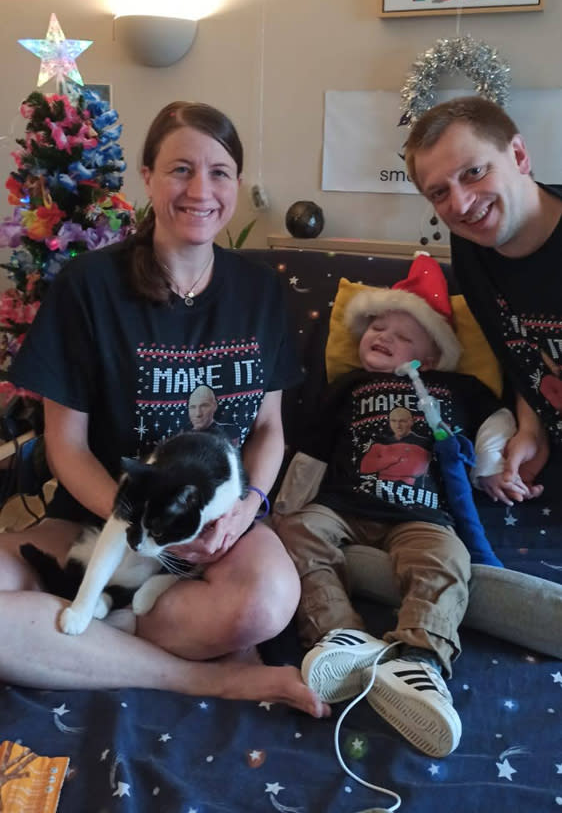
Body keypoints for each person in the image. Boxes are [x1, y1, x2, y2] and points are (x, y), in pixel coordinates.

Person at [0, 100, 329, 720]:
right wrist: (135, 528)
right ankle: (203, 676)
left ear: (235, 183)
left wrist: (243, 512)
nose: (200, 190)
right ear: (146, 177)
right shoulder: (88, 286)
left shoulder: (259, 292)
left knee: (266, 603)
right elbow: (65, 446)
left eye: (220, 172)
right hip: (97, 522)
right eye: (180, 169)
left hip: (219, 537)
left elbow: (268, 430)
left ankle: (82, 639)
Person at [273, 253, 517, 757]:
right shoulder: (347, 387)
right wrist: (284, 508)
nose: (382, 336)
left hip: (420, 514)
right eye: (376, 326)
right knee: (296, 534)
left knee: (446, 561)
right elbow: (312, 450)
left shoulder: (458, 389)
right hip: (342, 503)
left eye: (402, 335)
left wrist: (493, 468)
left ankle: (420, 660)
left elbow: (498, 420)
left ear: (430, 358)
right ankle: (342, 636)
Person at [404, 95, 562, 491]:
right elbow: (523, 352)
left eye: (474, 172)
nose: (460, 204)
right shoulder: (471, 251)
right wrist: (531, 429)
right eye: (439, 193)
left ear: (520, 156)